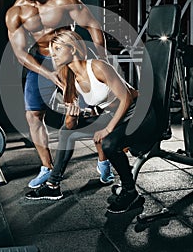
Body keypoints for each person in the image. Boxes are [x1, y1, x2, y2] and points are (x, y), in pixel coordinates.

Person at [25, 30, 158, 213]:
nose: (52, 54)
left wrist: (107, 129)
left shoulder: (97, 67)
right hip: (114, 116)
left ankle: (130, 192)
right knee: (66, 132)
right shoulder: (68, 77)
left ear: (72, 49)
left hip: (140, 112)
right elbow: (70, 126)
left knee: (108, 143)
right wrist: (73, 114)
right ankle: (53, 185)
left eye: (57, 48)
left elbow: (126, 98)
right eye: (51, 50)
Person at [5, 0, 108, 189]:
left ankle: (103, 160)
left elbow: (92, 25)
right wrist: (48, 74)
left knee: (86, 112)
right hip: (41, 61)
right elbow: (20, 52)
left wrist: (102, 59)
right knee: (33, 115)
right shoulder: (16, 13)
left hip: (71, 58)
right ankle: (47, 167)